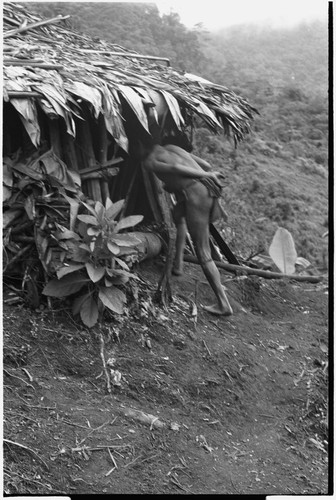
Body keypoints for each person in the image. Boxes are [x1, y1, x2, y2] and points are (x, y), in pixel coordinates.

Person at [142, 134, 233, 316]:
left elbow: (176, 168)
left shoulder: (149, 161)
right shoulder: (171, 147)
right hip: (207, 188)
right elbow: (205, 165)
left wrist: (206, 175)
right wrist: (204, 175)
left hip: (197, 194)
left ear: (139, 145)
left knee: (202, 253)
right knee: (178, 214)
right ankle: (179, 264)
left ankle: (223, 304)